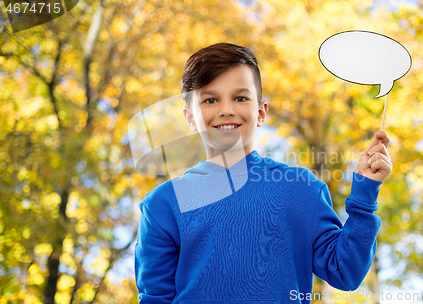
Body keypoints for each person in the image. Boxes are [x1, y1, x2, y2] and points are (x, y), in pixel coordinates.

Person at [134, 42, 393, 303]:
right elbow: (155, 297)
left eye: (240, 98)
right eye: (210, 100)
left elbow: (345, 271)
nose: (227, 109)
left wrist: (365, 193)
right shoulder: (162, 204)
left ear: (261, 112)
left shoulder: (301, 189)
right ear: (190, 117)